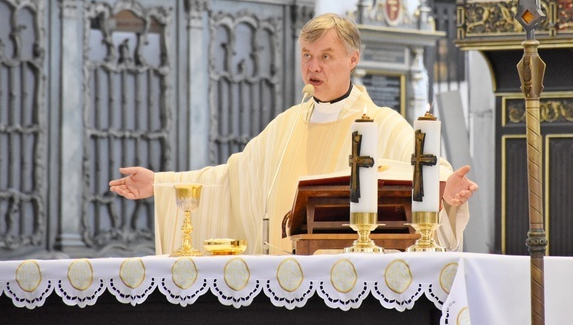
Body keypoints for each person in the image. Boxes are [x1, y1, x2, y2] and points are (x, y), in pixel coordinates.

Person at [110, 13, 478, 255]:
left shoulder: (380, 123)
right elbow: (231, 179)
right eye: (306, 56)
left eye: (325, 56)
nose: (312, 67)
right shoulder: (286, 128)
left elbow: (421, 168)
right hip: (287, 274)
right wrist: (159, 184)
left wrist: (444, 187)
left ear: (353, 59)